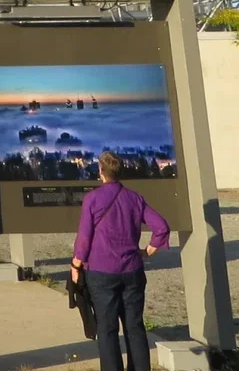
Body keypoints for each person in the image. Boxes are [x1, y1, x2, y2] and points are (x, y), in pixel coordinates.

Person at [70, 151, 171, 371]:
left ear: (101, 171)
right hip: (132, 271)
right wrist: (147, 251)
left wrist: (76, 265)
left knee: (107, 329)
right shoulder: (134, 198)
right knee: (135, 327)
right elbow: (162, 227)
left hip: (101, 273)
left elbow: (84, 238)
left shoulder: (92, 199)